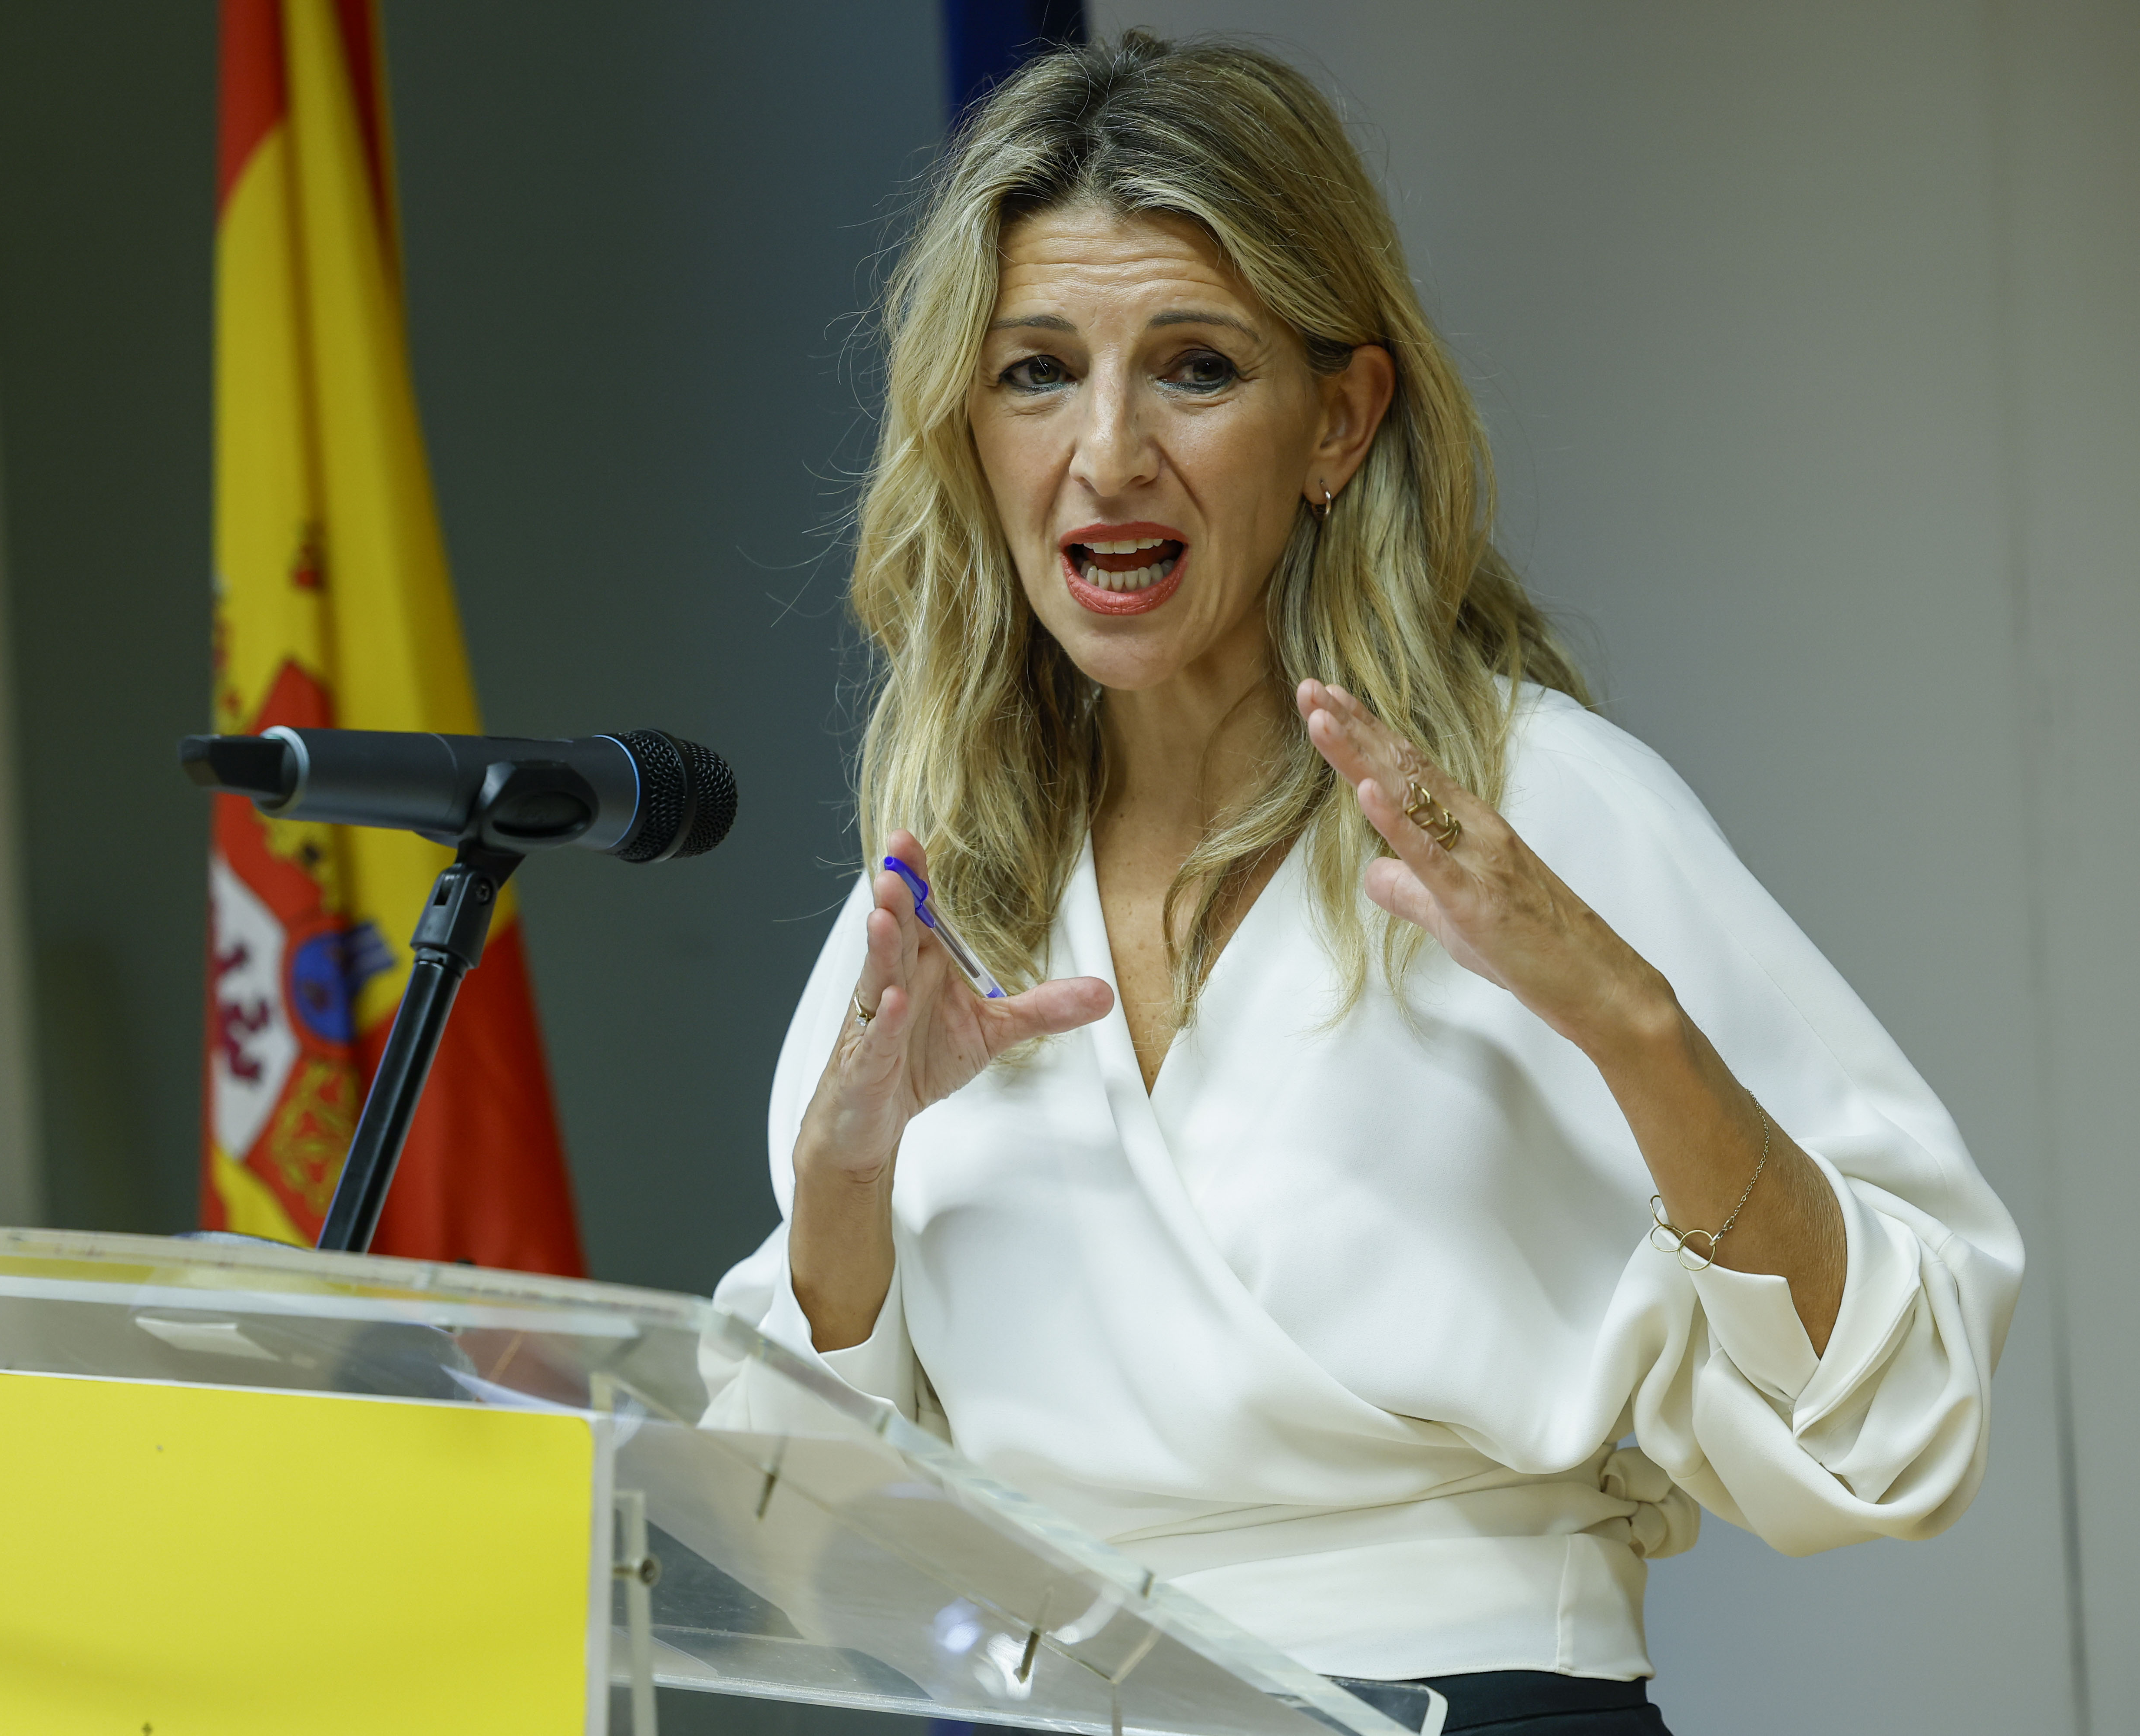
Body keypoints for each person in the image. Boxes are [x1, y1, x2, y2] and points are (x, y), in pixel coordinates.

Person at [708, 30, 2021, 1735]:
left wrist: (1628, 1025)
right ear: (966, 426)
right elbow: (795, 1541)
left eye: (1190, 368)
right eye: (1036, 372)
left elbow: (1903, 1421)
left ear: (1336, 420)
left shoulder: (1533, 805)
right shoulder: (950, 879)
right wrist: (840, 1189)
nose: (1102, 454)